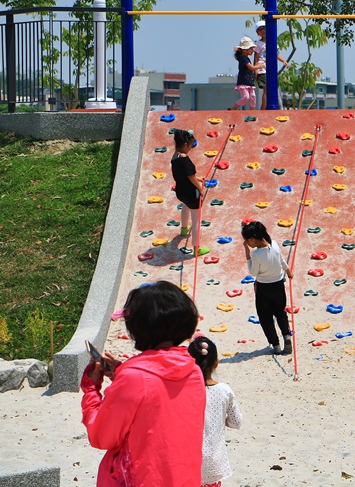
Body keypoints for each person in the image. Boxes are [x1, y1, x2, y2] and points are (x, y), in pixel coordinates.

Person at [81, 281, 206, 486]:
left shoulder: (134, 379)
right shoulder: (193, 372)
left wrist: (91, 389)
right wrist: (122, 372)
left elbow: (101, 436)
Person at [188, 336, 243, 487]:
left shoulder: (183, 391)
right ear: (216, 363)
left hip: (187, 462)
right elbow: (236, 422)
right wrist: (222, 420)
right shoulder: (224, 391)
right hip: (213, 462)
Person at [241, 220, 294, 355]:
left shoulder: (256, 255)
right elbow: (281, 259)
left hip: (264, 289)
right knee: (280, 312)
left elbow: (253, 273)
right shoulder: (274, 245)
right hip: (279, 285)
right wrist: (288, 271)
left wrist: (247, 255)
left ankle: (275, 345)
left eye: (247, 241)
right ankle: (286, 336)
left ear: (252, 240)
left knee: (265, 317)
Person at [170, 128, 205, 242]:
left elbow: (185, 174)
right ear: (185, 144)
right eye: (190, 146)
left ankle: (184, 229)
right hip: (190, 193)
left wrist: (197, 178)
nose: (190, 148)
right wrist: (200, 189)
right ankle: (196, 248)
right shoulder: (184, 158)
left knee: (186, 206)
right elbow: (190, 176)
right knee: (196, 220)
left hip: (181, 191)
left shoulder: (175, 156)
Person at [253, 20, 290, 110]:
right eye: (260, 30)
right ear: (258, 33)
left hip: (271, 69)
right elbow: (256, 58)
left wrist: (284, 61)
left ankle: (267, 109)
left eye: (264, 29)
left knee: (271, 89)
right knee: (266, 90)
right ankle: (263, 109)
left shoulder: (272, 42)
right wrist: (255, 71)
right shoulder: (258, 44)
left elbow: (276, 54)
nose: (263, 31)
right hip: (262, 68)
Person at [228, 36, 261, 111]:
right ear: (245, 50)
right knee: (245, 97)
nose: (252, 50)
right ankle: (233, 108)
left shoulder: (246, 58)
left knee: (252, 96)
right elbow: (251, 67)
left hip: (249, 82)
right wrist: (259, 66)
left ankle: (252, 110)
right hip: (243, 82)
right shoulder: (243, 59)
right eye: (251, 48)